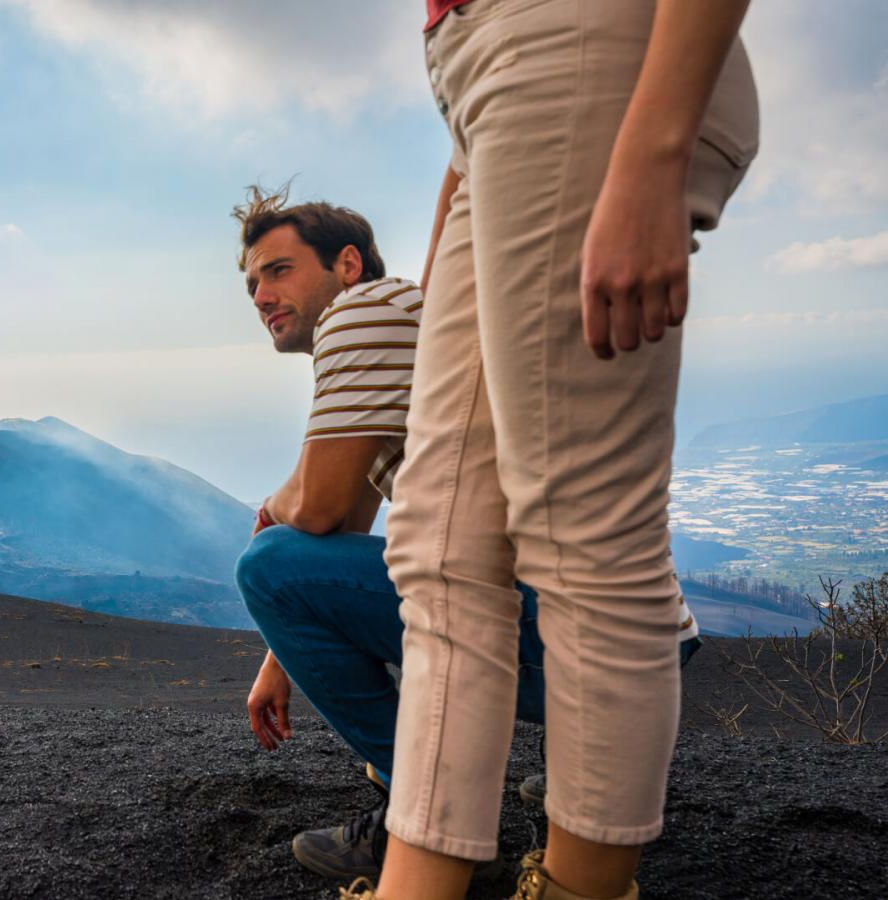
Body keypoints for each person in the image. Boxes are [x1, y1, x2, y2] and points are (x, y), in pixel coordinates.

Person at [345, 2, 759, 899]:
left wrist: (650, 156)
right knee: (438, 544)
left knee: (583, 534)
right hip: (484, 92)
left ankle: (583, 888)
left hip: (576, 48)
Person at [229, 185, 700, 884]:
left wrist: (270, 510)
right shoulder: (404, 323)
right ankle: (562, 780)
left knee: (266, 563)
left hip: (563, 638)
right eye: (251, 284)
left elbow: (318, 511)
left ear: (349, 265)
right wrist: (280, 658)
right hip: (638, 639)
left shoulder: (362, 315)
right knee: (288, 560)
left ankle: (422, 812)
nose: (262, 294)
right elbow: (343, 525)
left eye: (279, 270)